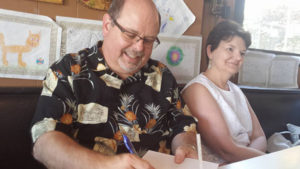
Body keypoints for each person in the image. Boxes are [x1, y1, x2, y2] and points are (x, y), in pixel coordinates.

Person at [30, 0, 198, 168]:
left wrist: (186, 146)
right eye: (130, 34)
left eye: (148, 40)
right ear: (107, 25)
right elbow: (44, 143)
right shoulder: (69, 70)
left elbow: (183, 125)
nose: (139, 47)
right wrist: (107, 165)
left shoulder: (163, 76)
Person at [181, 20, 267, 164]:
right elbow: (226, 150)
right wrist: (268, 161)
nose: (238, 57)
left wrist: (254, 162)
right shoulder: (198, 89)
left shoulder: (236, 90)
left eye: (242, 53)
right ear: (210, 51)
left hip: (248, 164)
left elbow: (260, 137)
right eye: (230, 49)